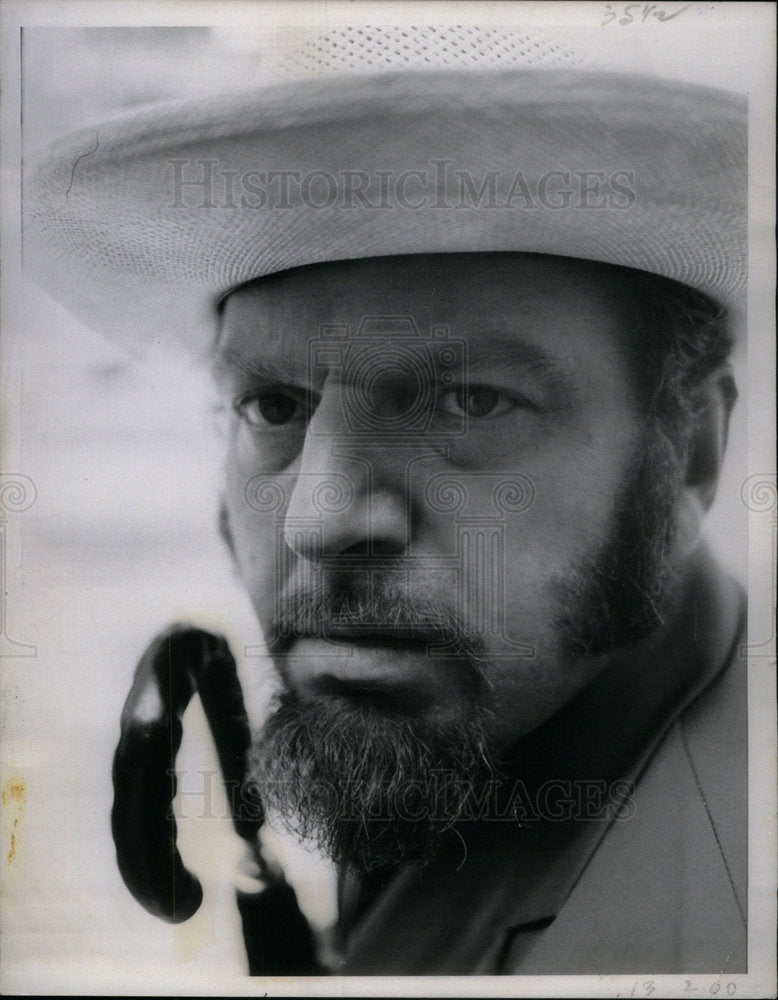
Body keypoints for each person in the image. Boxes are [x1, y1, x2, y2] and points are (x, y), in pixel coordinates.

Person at [24, 31, 747, 976]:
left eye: (472, 401)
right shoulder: (499, 713)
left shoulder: (699, 939)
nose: (318, 521)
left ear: (687, 454)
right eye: (275, 406)